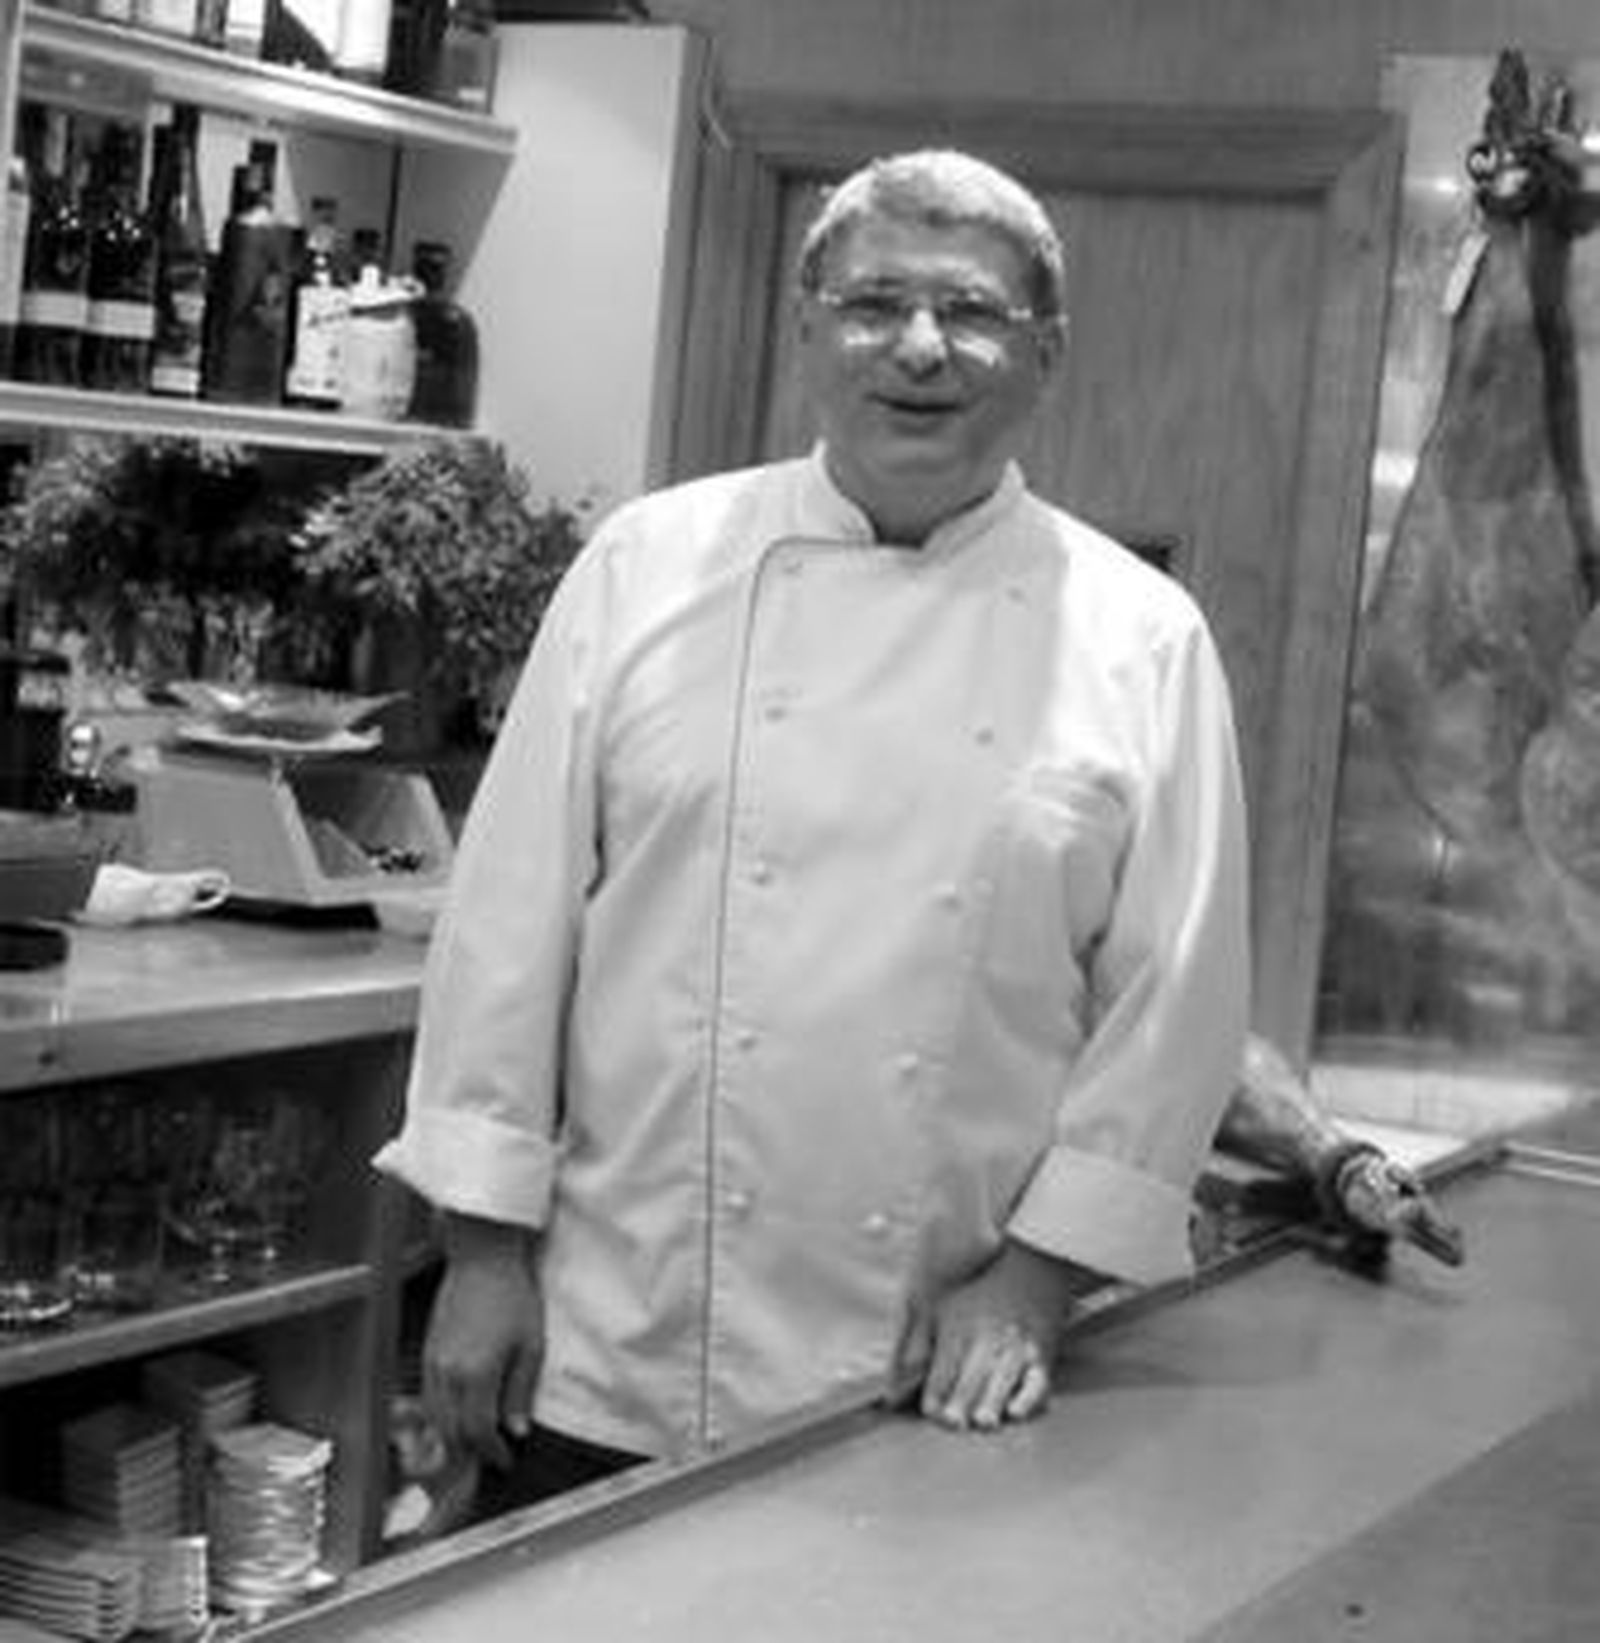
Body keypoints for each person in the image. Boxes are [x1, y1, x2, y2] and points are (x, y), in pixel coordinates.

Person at [373, 147, 1252, 1507]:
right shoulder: (647, 566)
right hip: (614, 1339)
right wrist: (483, 1255)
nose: (921, 347)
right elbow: (508, 928)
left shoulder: (1142, 637)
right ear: (805, 329)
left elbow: (1175, 1010)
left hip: (936, 1361)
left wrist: (1034, 1285)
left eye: (972, 311)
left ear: (1047, 352)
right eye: (874, 304)